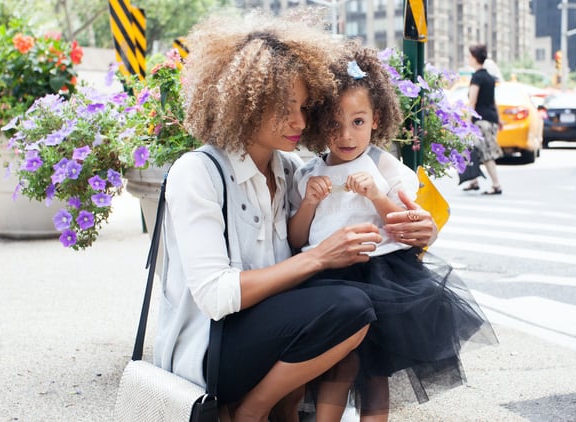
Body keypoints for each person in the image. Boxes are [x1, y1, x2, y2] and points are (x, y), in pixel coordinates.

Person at [153, 13, 440, 422]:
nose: (301, 123)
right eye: (285, 109)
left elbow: (370, 218)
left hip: (272, 333)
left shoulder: (290, 170)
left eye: (305, 108)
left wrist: (423, 231)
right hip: (211, 350)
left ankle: (278, 407)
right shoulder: (197, 172)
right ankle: (252, 410)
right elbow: (216, 297)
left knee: (355, 307)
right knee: (348, 306)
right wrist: (320, 257)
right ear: (244, 105)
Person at [289, 43, 496, 421]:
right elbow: (297, 239)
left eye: (357, 122)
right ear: (319, 124)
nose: (346, 135)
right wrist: (308, 204)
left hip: (382, 277)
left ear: (376, 119)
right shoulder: (308, 174)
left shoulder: (386, 167)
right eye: (334, 123)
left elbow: (405, 227)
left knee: (375, 370)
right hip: (326, 280)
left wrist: (377, 195)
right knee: (338, 364)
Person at [462, 44, 504, 195]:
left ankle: (496, 184)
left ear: (474, 58)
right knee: (473, 150)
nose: (468, 59)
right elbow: (493, 101)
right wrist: (499, 120)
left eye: (469, 56)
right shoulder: (489, 77)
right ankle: (474, 181)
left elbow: (472, 102)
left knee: (485, 153)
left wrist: (467, 122)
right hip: (491, 119)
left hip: (481, 121)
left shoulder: (477, 77)